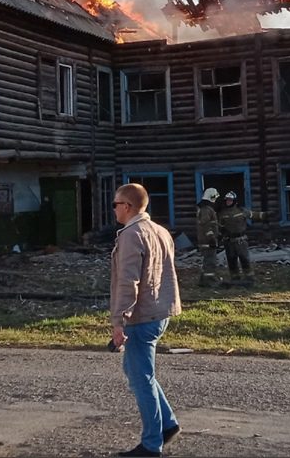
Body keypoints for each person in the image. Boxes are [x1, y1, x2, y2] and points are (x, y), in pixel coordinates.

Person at [110, 183, 182, 457]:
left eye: (116, 204)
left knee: (141, 379)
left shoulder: (132, 234)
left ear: (127, 206)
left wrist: (119, 320)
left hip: (141, 315)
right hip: (161, 311)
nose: (114, 209)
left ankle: (152, 444)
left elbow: (129, 281)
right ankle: (167, 424)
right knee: (137, 372)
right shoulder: (160, 231)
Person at [217, 191, 255, 286]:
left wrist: (265, 215)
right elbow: (220, 227)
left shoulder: (242, 211)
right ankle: (235, 278)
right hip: (229, 241)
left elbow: (253, 215)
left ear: (234, 201)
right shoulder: (222, 213)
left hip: (241, 240)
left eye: (230, 200)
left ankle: (249, 278)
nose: (228, 202)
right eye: (227, 200)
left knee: (244, 259)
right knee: (231, 260)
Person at [195, 187, 221, 287]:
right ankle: (210, 281)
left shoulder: (204, 208)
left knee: (207, 261)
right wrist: (212, 238)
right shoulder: (206, 209)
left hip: (205, 240)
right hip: (208, 241)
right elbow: (206, 225)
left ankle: (202, 281)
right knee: (211, 261)